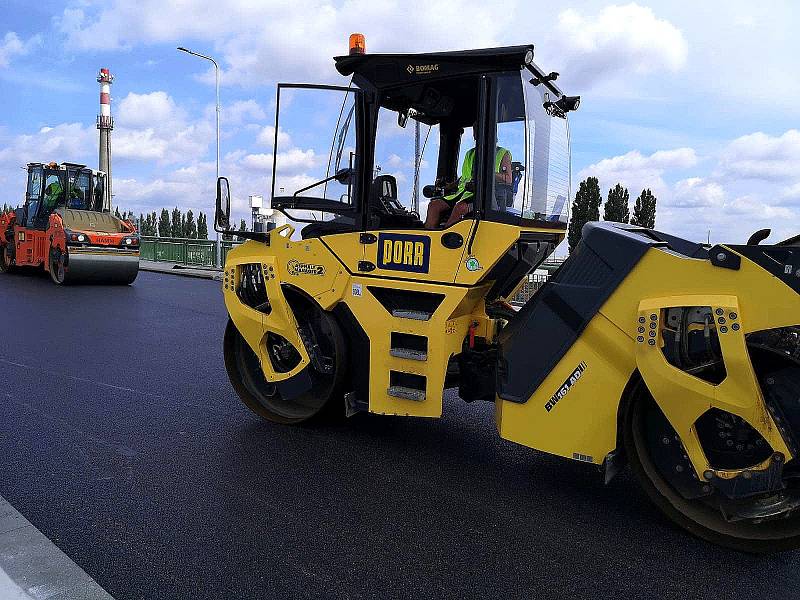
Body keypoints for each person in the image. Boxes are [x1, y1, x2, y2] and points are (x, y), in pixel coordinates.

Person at [424, 125, 512, 229]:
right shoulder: (470, 153)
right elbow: (465, 176)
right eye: (475, 130)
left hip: (486, 196)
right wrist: (448, 186)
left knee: (460, 208)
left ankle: (443, 237)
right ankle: (428, 239)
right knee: (434, 206)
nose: (476, 133)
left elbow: (508, 179)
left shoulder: (502, 153)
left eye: (479, 130)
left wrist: (486, 173)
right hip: (463, 193)